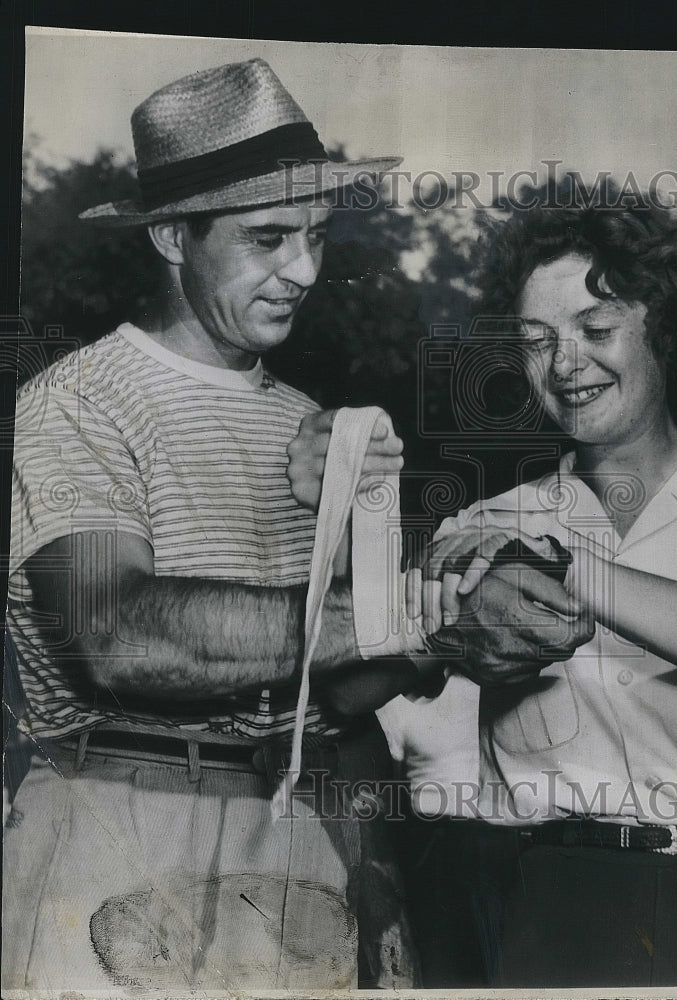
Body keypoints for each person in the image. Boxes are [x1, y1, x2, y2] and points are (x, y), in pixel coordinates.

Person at [3, 57, 421, 993]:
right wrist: (396, 617)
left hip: (306, 833)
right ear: (171, 239)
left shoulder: (314, 421)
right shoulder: (77, 404)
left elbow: (345, 700)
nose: (304, 270)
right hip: (122, 823)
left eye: (316, 236)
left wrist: (382, 876)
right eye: (269, 237)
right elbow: (117, 638)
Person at [409, 182, 677, 987]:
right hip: (550, 903)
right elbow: (354, 691)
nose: (565, 363)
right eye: (536, 340)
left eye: (596, 328)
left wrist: (562, 566)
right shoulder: (482, 523)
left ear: (667, 331)